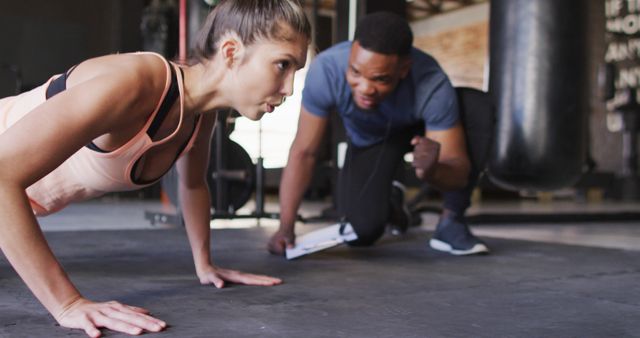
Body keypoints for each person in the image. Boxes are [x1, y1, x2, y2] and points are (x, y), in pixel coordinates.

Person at [0, 0, 310, 337]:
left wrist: (204, 264)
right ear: (232, 52)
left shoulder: (201, 116)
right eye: (282, 64)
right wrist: (68, 304)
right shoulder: (134, 84)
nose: (289, 89)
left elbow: (193, 185)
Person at [267, 11, 489, 257]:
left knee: (475, 105)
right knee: (362, 232)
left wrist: (431, 170)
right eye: (355, 72)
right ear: (351, 53)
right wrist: (285, 228)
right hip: (371, 140)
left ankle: (451, 222)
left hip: (419, 132)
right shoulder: (327, 69)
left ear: (404, 69)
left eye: (380, 79)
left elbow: (457, 172)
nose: (365, 88)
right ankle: (392, 202)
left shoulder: (432, 82)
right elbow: (304, 152)